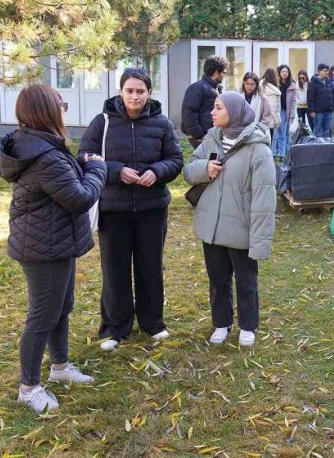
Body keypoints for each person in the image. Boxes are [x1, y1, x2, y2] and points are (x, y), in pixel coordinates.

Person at [0, 85, 107, 413]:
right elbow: (79, 198)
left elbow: (65, 186)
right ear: (47, 110)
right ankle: (28, 387)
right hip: (43, 247)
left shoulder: (40, 145)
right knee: (42, 316)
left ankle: (59, 367)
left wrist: (81, 165)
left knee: (61, 307)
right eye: (62, 104)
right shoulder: (45, 156)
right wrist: (98, 168)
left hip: (54, 242)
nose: (64, 110)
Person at [79, 68, 183, 351]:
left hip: (152, 209)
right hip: (114, 209)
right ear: (120, 92)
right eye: (129, 91)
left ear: (149, 93)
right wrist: (114, 171)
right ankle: (115, 327)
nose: (134, 96)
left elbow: (175, 159)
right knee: (115, 270)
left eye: (140, 91)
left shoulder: (162, 124)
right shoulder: (102, 123)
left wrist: (156, 171)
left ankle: (153, 323)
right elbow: (85, 157)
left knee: (150, 267)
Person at [183, 92, 276, 347]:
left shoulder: (258, 149)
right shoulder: (212, 138)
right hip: (211, 226)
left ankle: (248, 325)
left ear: (234, 112)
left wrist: (259, 241)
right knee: (217, 278)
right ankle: (221, 323)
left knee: (246, 281)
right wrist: (205, 169)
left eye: (218, 108)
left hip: (240, 229)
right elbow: (189, 170)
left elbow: (264, 201)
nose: (212, 113)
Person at [181, 56, 226, 149]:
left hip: (211, 137)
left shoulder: (215, 89)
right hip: (202, 139)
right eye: (223, 72)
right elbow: (189, 115)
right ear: (217, 72)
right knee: (206, 163)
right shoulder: (196, 88)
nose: (224, 76)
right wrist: (199, 136)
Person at [240, 72, 274, 138]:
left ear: (256, 85)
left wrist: (257, 130)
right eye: (247, 83)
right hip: (240, 132)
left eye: (252, 84)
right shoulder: (238, 96)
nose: (249, 87)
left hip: (257, 133)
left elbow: (266, 119)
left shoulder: (262, 98)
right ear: (244, 83)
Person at [307, 63, 334, 138]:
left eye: (327, 71)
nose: (327, 72)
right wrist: (312, 111)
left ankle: (326, 147)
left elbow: (333, 96)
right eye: (325, 71)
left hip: (329, 110)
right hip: (318, 112)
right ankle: (316, 147)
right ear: (319, 71)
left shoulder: (329, 82)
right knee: (317, 130)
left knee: (326, 130)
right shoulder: (312, 83)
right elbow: (310, 98)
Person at [273, 64, 297, 157]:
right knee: (274, 133)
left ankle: (282, 154)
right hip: (275, 110)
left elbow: (293, 102)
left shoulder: (292, 84)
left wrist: (292, 116)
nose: (284, 73)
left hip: (284, 110)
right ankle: (273, 153)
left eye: (286, 71)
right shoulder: (275, 83)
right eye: (283, 71)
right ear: (279, 72)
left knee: (282, 132)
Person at [259, 68, 282, 144]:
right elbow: (273, 108)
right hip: (269, 120)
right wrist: (277, 121)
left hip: (260, 118)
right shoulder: (273, 90)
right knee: (269, 141)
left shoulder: (260, 85)